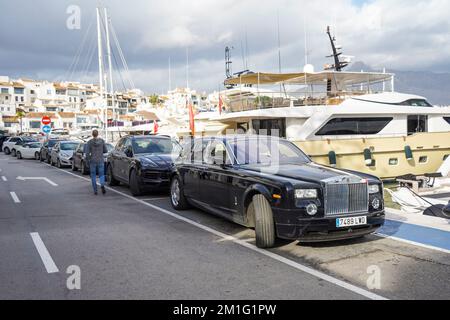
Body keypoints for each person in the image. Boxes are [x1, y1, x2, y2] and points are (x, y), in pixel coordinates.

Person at [86, 130, 108, 195]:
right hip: (100, 160)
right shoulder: (102, 141)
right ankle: (102, 185)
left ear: (92, 134)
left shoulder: (89, 142)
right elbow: (105, 150)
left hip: (93, 161)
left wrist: (88, 160)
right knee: (101, 174)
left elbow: (87, 153)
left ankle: (95, 190)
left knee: (93, 176)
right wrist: (100, 151)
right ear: (97, 134)